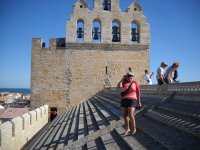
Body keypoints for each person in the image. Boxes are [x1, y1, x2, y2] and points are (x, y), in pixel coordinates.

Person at [117, 71, 141, 135]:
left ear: (133, 77)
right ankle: (127, 129)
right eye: (128, 76)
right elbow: (118, 87)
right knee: (125, 115)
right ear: (126, 77)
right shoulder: (124, 82)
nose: (130, 77)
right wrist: (122, 79)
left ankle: (134, 128)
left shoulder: (135, 83)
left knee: (131, 114)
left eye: (131, 76)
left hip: (133, 99)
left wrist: (139, 102)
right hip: (124, 99)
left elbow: (138, 93)